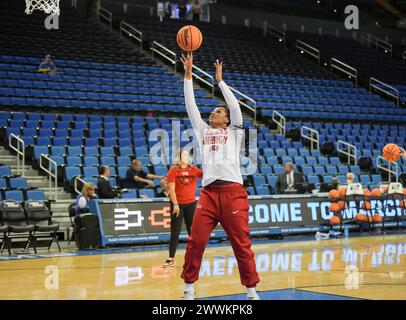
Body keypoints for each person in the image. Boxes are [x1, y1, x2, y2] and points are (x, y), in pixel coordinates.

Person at [179, 52, 260, 300]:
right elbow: (190, 104)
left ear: (226, 119)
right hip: (209, 194)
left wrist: (220, 82)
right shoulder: (203, 131)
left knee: (241, 244)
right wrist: (188, 75)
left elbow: (235, 107)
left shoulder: (235, 131)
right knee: (196, 242)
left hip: (234, 193)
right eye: (212, 112)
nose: (212, 114)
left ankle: (251, 290)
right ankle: (189, 288)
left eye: (217, 112)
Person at [163, 148, 202, 268]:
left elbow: (207, 177)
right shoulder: (173, 171)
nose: (187, 156)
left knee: (192, 232)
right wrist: (175, 204)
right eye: (184, 154)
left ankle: (195, 257)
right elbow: (171, 190)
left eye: (188, 154)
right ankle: (171, 258)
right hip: (177, 205)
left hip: (191, 204)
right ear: (179, 158)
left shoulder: (194, 170)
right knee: (175, 232)